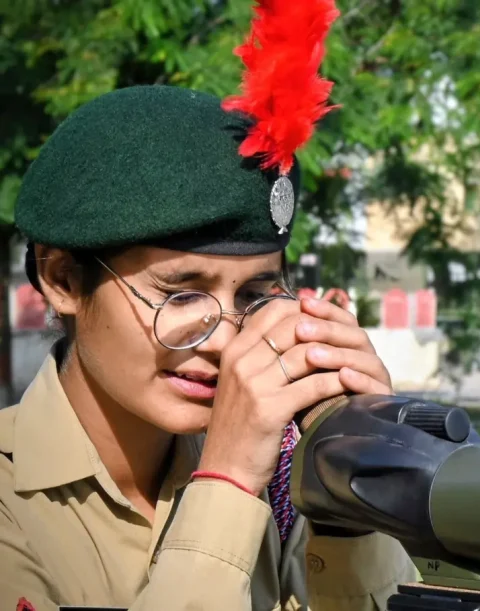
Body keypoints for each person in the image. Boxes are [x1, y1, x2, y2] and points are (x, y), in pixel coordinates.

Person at [0, 1, 418, 610]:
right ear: (61, 279)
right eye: (179, 293)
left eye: (254, 295)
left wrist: (349, 495)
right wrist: (225, 482)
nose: (225, 338)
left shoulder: (281, 481)